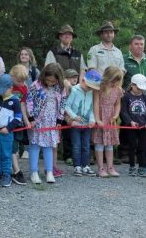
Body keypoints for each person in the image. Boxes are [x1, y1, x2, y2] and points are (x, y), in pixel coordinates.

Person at [45, 25, 85, 167]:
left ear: (72, 37)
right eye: (64, 34)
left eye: (69, 34)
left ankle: (70, 155)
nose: (67, 36)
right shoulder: (53, 52)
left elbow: (82, 72)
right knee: (58, 122)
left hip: (75, 93)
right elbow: (49, 71)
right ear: (60, 36)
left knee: (72, 120)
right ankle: (51, 153)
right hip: (57, 92)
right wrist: (64, 82)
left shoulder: (78, 53)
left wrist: (80, 89)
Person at [27, 63, 66, 184]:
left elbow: (63, 104)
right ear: (43, 76)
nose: (50, 83)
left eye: (53, 81)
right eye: (48, 80)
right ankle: (34, 172)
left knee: (49, 146)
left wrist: (60, 120)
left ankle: (49, 171)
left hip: (52, 121)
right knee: (35, 145)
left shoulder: (60, 87)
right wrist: (31, 118)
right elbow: (29, 101)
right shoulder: (35, 85)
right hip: (37, 121)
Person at [0, 74, 22, 187]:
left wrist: (8, 128)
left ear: (11, 88)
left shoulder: (15, 101)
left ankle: (7, 175)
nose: (0, 92)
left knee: (6, 154)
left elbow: (18, 118)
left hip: (6, 133)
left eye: (3, 90)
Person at [65, 69, 101, 177]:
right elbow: (67, 106)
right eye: (89, 86)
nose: (91, 89)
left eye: (92, 87)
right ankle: (77, 166)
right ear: (84, 81)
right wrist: (74, 117)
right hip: (76, 124)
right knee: (76, 145)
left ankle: (86, 166)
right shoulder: (75, 90)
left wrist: (92, 119)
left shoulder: (91, 92)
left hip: (87, 125)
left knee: (86, 145)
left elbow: (91, 108)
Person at [92, 66, 124, 178]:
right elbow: (95, 103)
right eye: (113, 81)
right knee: (100, 143)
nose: (114, 83)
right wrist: (97, 119)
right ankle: (101, 168)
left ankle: (110, 167)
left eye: (117, 81)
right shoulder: (98, 88)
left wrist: (115, 115)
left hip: (110, 120)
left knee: (110, 144)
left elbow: (117, 104)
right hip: (101, 118)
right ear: (107, 78)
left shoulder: (118, 89)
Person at [120, 74, 146, 177]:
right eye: (138, 88)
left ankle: (142, 167)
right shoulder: (126, 97)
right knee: (132, 146)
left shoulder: (145, 97)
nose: (140, 90)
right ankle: (132, 167)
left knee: (142, 147)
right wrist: (130, 122)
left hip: (144, 127)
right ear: (132, 85)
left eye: (142, 88)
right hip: (131, 127)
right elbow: (123, 111)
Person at [9, 64, 33, 185]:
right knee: (10, 146)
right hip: (6, 121)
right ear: (12, 77)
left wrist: (27, 121)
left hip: (18, 122)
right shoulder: (7, 86)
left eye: (24, 81)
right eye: (19, 81)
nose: (21, 83)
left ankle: (13, 170)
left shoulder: (24, 88)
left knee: (15, 146)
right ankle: (15, 171)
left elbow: (23, 106)